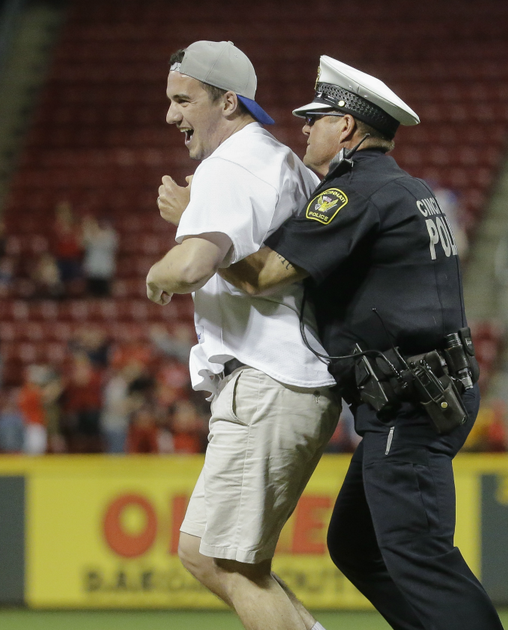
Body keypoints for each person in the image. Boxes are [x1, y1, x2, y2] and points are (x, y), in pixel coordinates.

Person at [220, 55, 503, 630]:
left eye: (315, 119)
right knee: (358, 545)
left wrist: (201, 228)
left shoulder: (356, 191)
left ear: (346, 126)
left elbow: (263, 275)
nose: (302, 130)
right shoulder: (408, 188)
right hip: (421, 389)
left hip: (408, 402)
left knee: (419, 554)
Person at [143, 41, 339, 630]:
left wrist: (157, 272)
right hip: (282, 378)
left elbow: (192, 266)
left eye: (184, 100)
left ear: (228, 102)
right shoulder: (277, 160)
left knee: (227, 559)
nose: (172, 115)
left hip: (268, 379)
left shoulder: (228, 165)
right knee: (205, 551)